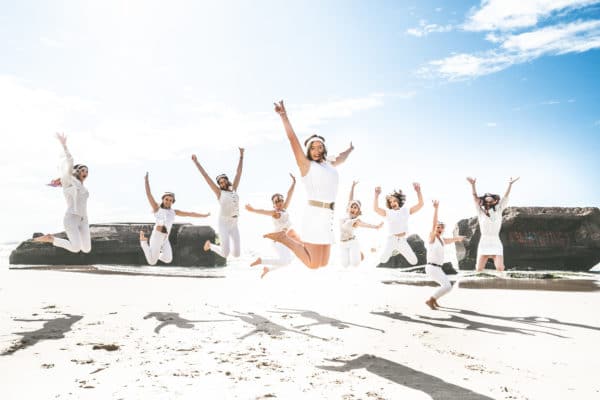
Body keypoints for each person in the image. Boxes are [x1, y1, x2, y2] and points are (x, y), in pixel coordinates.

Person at [264, 100, 354, 268]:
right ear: (308, 151)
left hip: (328, 215)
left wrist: (350, 149)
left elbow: (341, 158)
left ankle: (289, 237)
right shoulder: (306, 165)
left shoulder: (328, 164)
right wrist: (284, 116)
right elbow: (292, 140)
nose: (317, 150)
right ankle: (284, 238)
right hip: (314, 214)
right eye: (313, 148)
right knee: (312, 264)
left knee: (323, 264)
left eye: (320, 147)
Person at [34, 133, 91, 253]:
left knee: (86, 249)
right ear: (76, 172)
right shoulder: (68, 180)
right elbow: (70, 160)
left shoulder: (83, 187)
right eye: (82, 170)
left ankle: (73, 240)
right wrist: (64, 145)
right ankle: (52, 239)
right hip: (71, 218)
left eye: (87, 171)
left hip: (84, 219)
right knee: (75, 248)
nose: (85, 172)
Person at [140, 172, 209, 265]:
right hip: (157, 237)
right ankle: (143, 242)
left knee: (168, 259)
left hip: (165, 238)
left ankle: (155, 253)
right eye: (166, 199)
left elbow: (190, 214)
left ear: (173, 201)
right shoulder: (157, 208)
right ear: (163, 199)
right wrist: (146, 180)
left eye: (170, 200)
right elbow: (149, 194)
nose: (168, 201)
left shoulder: (174, 212)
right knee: (152, 262)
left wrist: (204, 215)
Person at [191, 148, 244, 258]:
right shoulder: (219, 193)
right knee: (225, 254)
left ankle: (213, 246)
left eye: (223, 180)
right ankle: (210, 245)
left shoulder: (234, 189)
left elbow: (239, 172)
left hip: (234, 223)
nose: (222, 183)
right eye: (220, 182)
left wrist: (241, 155)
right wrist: (196, 162)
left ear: (227, 180)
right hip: (223, 223)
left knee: (237, 254)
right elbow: (206, 176)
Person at [246, 174, 299, 278]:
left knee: (290, 260)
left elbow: (289, 195)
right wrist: (252, 210)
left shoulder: (284, 209)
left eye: (281, 200)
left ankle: (268, 269)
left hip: (284, 239)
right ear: (274, 204)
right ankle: (261, 261)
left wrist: (294, 183)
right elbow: (263, 211)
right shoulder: (276, 213)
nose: (279, 202)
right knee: (286, 261)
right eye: (276, 201)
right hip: (277, 240)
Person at [467, 176, 520, 272]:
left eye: (490, 196)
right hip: (484, 241)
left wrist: (510, 184)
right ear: (483, 201)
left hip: (495, 240)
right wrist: (473, 185)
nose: (488, 197)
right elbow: (475, 198)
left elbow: (505, 197)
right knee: (479, 269)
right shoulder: (480, 211)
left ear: (495, 200)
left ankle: (501, 284)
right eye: (486, 197)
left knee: (500, 268)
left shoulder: (499, 210)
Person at [425, 200, 465, 310]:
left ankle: (434, 299)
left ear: (443, 230)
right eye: (438, 227)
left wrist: (458, 238)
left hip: (437, 268)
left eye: (441, 227)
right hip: (431, 267)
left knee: (445, 285)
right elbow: (433, 224)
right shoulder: (432, 237)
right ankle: (431, 300)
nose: (439, 229)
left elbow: (451, 240)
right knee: (447, 286)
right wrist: (436, 208)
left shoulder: (441, 240)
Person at [374, 183, 424, 265]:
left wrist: (418, 191)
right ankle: (382, 249)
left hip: (402, 240)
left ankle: (397, 251)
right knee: (383, 260)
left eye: (394, 201)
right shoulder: (388, 212)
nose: (392, 203)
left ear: (399, 201)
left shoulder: (405, 211)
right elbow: (376, 209)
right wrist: (376, 195)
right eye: (390, 202)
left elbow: (420, 204)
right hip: (391, 239)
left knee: (414, 262)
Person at [339, 181, 383, 267]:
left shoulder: (356, 220)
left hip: (352, 242)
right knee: (344, 265)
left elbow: (365, 224)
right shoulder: (346, 214)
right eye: (351, 206)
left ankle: (359, 255)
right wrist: (353, 187)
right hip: (342, 244)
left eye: (355, 208)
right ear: (348, 207)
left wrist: (376, 227)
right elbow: (350, 199)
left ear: (358, 211)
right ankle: (358, 254)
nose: (353, 208)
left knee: (355, 264)